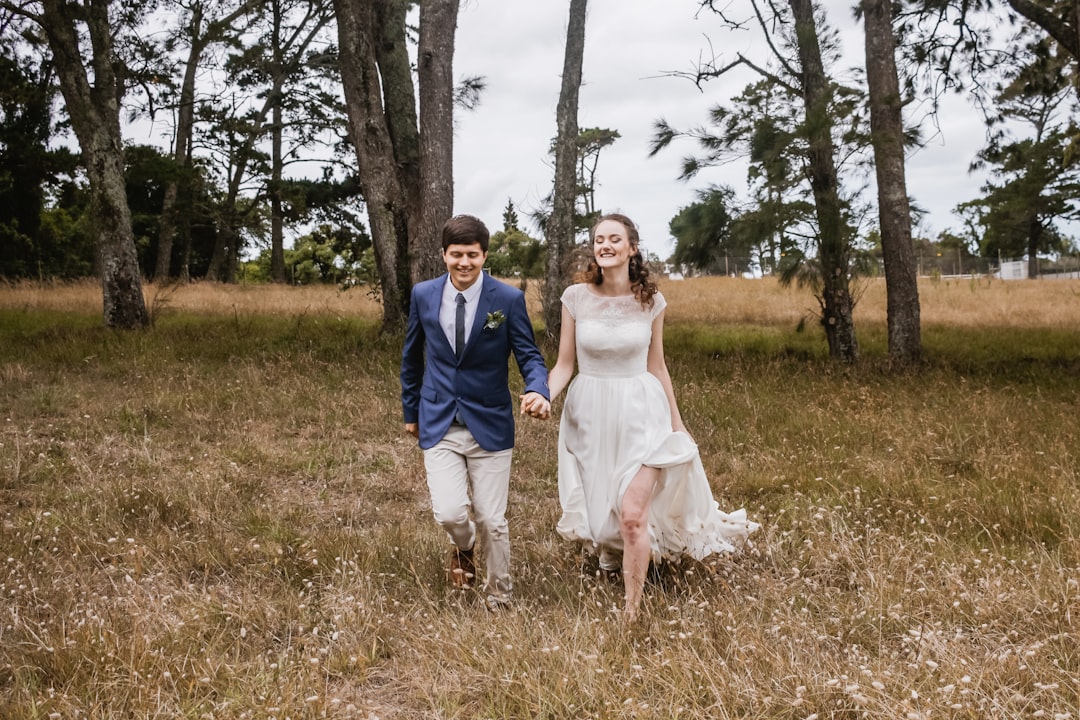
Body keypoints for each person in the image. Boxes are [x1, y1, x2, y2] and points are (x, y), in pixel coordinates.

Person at [544, 213, 759, 621]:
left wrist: (676, 424)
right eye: (598, 239)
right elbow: (563, 366)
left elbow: (657, 366)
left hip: (643, 412)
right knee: (603, 523)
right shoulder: (575, 297)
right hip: (590, 413)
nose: (604, 245)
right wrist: (545, 395)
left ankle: (633, 611)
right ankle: (624, 553)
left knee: (631, 514)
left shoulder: (651, 302)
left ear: (632, 247)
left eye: (614, 238)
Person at [401, 214, 551, 612]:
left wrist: (538, 388)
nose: (463, 263)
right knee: (450, 513)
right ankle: (463, 547)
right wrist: (409, 411)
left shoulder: (506, 300)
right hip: (438, 420)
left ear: (484, 255)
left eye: (472, 255)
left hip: (490, 421)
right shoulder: (423, 295)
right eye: (456, 255)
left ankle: (499, 596)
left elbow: (530, 357)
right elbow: (411, 358)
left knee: (492, 519)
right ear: (443, 255)